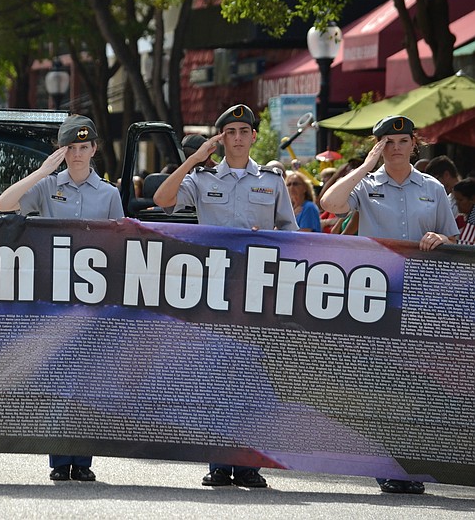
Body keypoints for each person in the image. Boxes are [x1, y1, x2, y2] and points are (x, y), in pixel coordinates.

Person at [153, 104, 296, 489]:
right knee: (215, 376)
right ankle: (218, 462)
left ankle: (249, 464)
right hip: (211, 290)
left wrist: (266, 238)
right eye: (229, 131)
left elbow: (292, 235)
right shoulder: (201, 178)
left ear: (252, 136)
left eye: (243, 131)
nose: (237, 137)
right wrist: (195, 158)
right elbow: (165, 199)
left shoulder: (272, 180)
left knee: (252, 379)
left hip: (255, 292)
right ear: (221, 138)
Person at [320, 115, 458, 495]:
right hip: (376, 296)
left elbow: (454, 234)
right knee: (382, 382)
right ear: (378, 145)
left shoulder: (431, 187)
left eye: (402, 141)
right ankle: (388, 465)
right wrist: (366, 165)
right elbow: (329, 202)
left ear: (415, 143)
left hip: (420, 296)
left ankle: (409, 464)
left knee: (415, 384)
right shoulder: (366, 184)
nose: (395, 148)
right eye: (387, 142)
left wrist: (439, 236)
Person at [0, 114, 123, 482]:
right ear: (61, 151)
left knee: (87, 382)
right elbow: (4, 205)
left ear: (95, 149)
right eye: (71, 148)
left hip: (92, 303)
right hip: (53, 300)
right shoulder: (48, 186)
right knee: (56, 382)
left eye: (84, 147)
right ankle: (58, 460)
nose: (78, 154)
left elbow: (120, 246)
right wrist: (42, 171)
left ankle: (82, 462)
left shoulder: (109, 194)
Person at [452, 177, 475, 245]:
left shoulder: (472, 221)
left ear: (473, 199)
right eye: (456, 200)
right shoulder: (459, 220)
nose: (456, 203)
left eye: (460, 200)